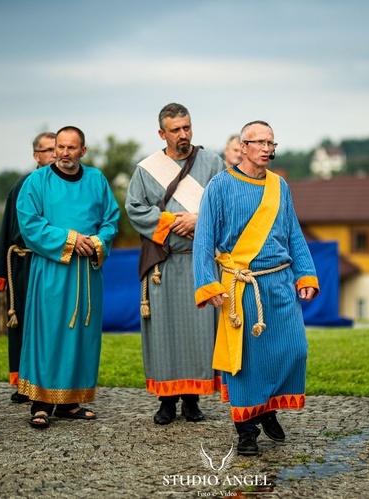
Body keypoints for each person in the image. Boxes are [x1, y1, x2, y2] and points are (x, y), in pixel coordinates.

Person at [193, 120, 319, 456]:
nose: (267, 148)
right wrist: (208, 284)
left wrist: (305, 274)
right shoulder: (219, 186)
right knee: (247, 361)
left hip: (279, 281)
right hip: (240, 286)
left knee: (294, 349)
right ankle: (246, 430)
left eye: (271, 143)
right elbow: (204, 239)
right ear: (243, 145)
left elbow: (293, 232)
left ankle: (267, 408)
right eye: (259, 142)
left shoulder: (281, 186)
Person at [125, 103, 223, 425]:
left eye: (187, 127)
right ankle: (166, 401)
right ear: (161, 133)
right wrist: (170, 222)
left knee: (197, 332)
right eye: (176, 130)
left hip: (199, 261)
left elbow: (224, 203)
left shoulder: (212, 163)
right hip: (163, 266)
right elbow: (135, 209)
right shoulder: (146, 170)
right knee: (164, 332)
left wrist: (198, 219)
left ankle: (192, 401)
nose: (183, 135)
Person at [16, 126, 119, 429]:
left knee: (80, 336)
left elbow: (111, 219)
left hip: (86, 273)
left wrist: (98, 241)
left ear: (82, 151)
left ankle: (70, 401)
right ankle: (41, 402)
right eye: (60, 147)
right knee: (48, 333)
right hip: (52, 270)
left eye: (71, 148)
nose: (64, 153)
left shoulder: (96, 180)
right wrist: (71, 240)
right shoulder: (37, 181)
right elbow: (30, 224)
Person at [0, 132, 56, 404]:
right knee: (24, 323)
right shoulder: (23, 184)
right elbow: (5, 232)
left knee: (53, 322)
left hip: (53, 263)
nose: (53, 154)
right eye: (47, 150)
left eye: (56, 148)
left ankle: (54, 380)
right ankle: (24, 381)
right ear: (36, 155)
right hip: (25, 264)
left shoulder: (66, 185)